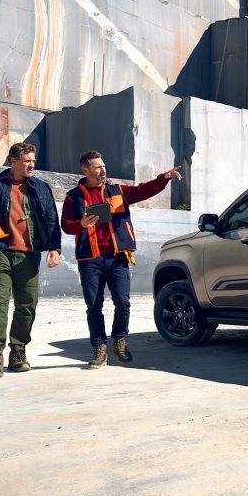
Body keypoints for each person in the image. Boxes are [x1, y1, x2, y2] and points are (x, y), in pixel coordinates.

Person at [61, 150, 183, 369]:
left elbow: (143, 191)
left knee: (123, 302)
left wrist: (163, 179)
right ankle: (99, 348)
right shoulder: (73, 196)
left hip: (118, 258)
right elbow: (66, 224)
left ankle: (119, 341)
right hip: (90, 259)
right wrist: (81, 224)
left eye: (104, 166)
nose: (103, 170)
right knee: (94, 306)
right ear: (86, 170)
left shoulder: (118, 190)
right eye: (98, 167)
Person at [0, 142, 62, 378]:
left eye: (33, 160)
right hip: (0, 251)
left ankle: (18, 350)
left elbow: (52, 221)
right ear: (14, 161)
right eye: (27, 160)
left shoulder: (41, 187)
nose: (32, 165)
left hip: (29, 254)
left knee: (27, 304)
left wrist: (55, 248)